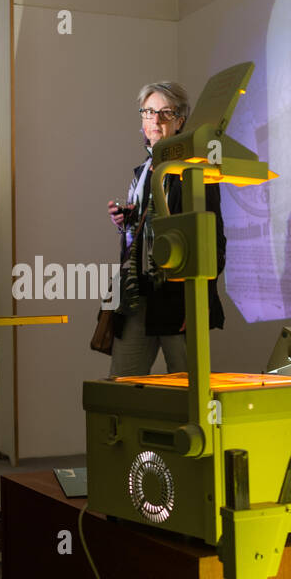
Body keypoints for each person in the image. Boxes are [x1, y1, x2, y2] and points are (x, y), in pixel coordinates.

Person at [107, 82, 226, 377]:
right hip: (138, 294)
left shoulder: (195, 169)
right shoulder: (142, 171)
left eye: (165, 113)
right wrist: (125, 224)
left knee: (187, 391)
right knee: (122, 384)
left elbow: (212, 242)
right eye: (148, 112)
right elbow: (145, 238)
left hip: (179, 298)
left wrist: (195, 302)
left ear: (180, 121)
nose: (155, 120)